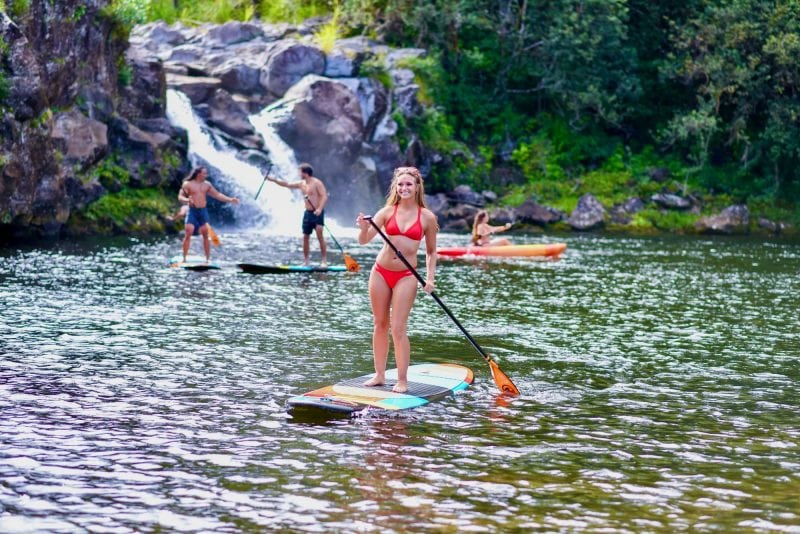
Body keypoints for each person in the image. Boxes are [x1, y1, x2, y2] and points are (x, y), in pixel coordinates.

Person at [356, 166, 438, 393]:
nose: (404, 188)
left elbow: (431, 252)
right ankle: (379, 375)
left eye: (409, 184)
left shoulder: (427, 217)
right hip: (380, 271)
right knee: (379, 324)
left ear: (417, 187)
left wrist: (429, 279)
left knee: (398, 328)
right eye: (400, 184)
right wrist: (363, 228)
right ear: (396, 187)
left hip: (406, 276)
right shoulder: (386, 212)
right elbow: (364, 240)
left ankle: (402, 380)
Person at [266, 163, 329, 266]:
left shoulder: (317, 183)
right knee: (305, 236)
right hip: (308, 213)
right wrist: (273, 180)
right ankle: (306, 261)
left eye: (300, 171)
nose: (298, 173)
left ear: (305, 173)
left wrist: (319, 209)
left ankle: (324, 261)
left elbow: (324, 196)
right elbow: (286, 184)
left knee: (319, 234)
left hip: (317, 212)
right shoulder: (301, 184)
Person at [177, 167, 240, 263]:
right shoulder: (187, 184)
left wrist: (230, 199)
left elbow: (217, 195)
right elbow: (180, 197)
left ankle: (207, 259)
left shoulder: (207, 185)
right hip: (192, 211)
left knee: (205, 234)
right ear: (198, 174)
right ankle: (184, 259)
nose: (206, 175)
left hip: (203, 211)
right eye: (204, 173)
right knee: (188, 232)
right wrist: (187, 200)